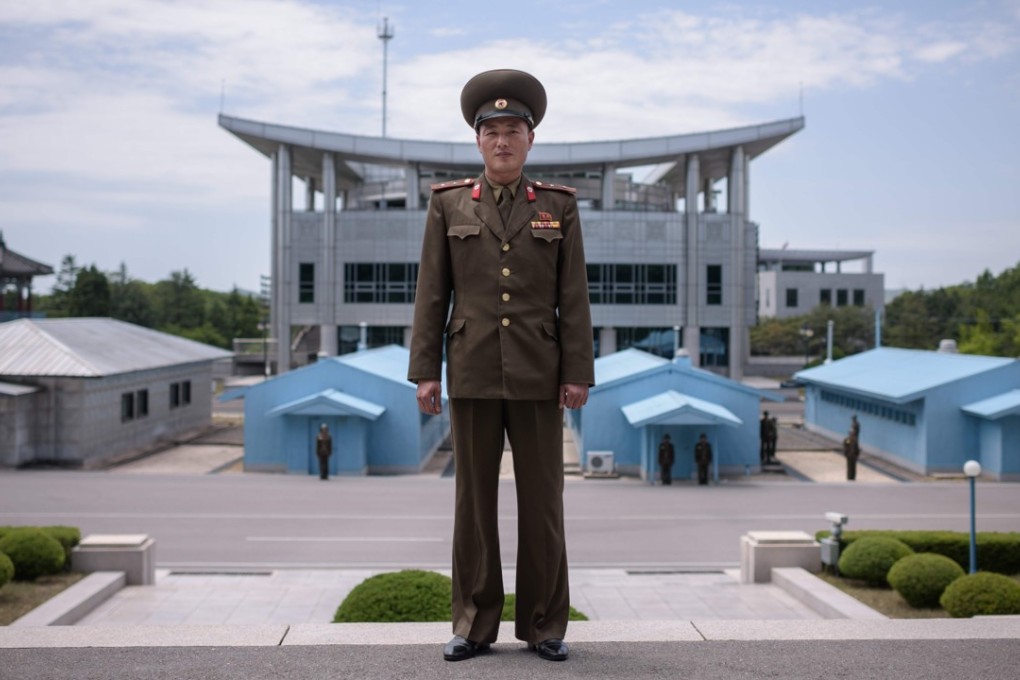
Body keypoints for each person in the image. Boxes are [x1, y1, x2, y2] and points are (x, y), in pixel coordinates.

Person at [408, 69, 594, 663]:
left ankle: (544, 626)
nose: (503, 141)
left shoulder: (558, 208)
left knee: (543, 504)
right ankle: (473, 624)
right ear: (479, 140)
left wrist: (577, 372)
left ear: (530, 139)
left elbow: (575, 296)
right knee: (473, 503)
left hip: (542, 373)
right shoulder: (448, 204)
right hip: (472, 370)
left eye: (513, 130)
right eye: (492, 131)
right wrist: (426, 371)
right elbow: (431, 293)